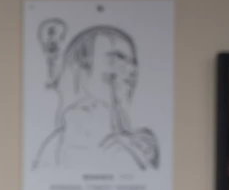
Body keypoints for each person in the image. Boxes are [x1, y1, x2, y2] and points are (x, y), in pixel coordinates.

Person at [34, 25, 159, 173]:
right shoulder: (63, 142)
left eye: (133, 63)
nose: (132, 70)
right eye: (115, 59)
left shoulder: (137, 143)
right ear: (81, 67)